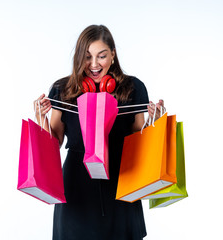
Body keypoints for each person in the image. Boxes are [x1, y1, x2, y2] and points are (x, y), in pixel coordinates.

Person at [34, 25, 164, 240]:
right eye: (87, 57)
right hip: (76, 186)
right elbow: (55, 141)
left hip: (121, 183)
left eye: (101, 56)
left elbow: (137, 139)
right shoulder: (62, 88)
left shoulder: (133, 87)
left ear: (113, 55)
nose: (94, 65)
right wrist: (41, 117)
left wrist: (154, 122)